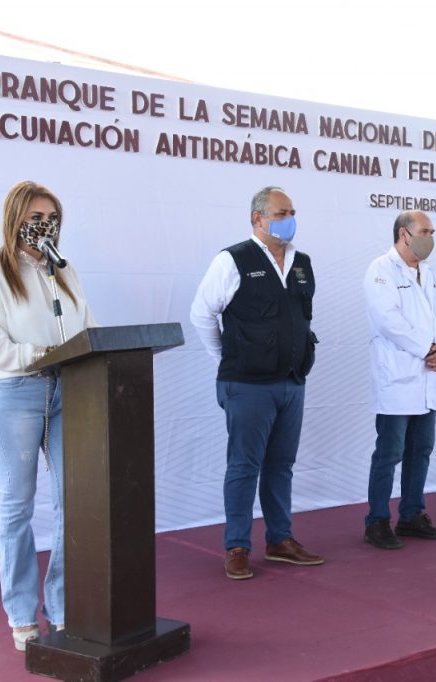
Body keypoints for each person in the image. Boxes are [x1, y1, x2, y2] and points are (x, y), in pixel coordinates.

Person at [0, 181, 96, 650]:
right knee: (18, 504)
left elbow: (88, 328)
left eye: (53, 218)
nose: (46, 226)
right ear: (15, 219)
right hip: (14, 393)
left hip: (70, 390)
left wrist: (98, 350)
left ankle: (62, 608)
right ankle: (22, 614)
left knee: (74, 502)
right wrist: (47, 353)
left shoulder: (63, 272)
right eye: (37, 217)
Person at [190, 186, 323, 580]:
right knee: (244, 465)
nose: (289, 218)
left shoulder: (303, 262)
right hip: (246, 385)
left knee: (281, 465)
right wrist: (227, 359)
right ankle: (237, 546)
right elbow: (201, 315)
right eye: (281, 212)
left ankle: (281, 540)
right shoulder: (233, 260)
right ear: (258, 219)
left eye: (292, 211)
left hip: (291, 383)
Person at [361, 211, 436, 550]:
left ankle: (412, 514)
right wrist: (427, 348)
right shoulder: (381, 270)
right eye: (425, 231)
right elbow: (388, 321)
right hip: (398, 378)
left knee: (422, 449)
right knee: (389, 452)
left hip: (429, 376)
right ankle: (376, 521)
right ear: (404, 234)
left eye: (432, 231)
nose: (431, 236)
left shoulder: (430, 275)